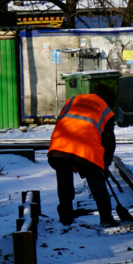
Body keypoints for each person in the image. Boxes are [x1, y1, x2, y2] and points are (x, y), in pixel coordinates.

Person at [48, 83, 118, 226]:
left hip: (60, 145)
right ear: (109, 100)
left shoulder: (73, 100)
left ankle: (65, 218)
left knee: (64, 184)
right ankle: (106, 218)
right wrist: (104, 165)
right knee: (97, 184)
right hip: (86, 149)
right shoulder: (105, 110)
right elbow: (109, 143)